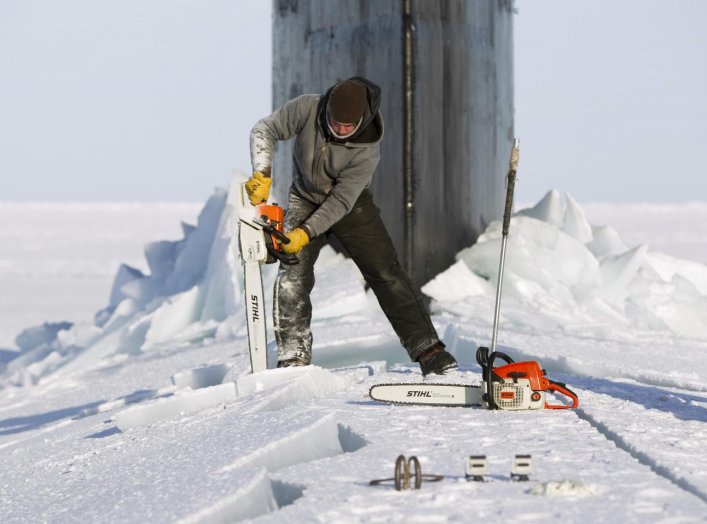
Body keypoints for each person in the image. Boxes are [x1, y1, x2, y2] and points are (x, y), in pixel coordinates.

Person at [246, 76, 457, 376]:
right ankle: (293, 356)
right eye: (335, 122)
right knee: (293, 276)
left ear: (361, 119)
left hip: (352, 206)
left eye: (349, 125)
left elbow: (341, 202)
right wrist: (262, 171)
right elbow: (264, 129)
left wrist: (304, 233)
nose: (341, 129)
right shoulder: (308, 108)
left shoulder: (367, 149)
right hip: (304, 198)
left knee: (386, 272)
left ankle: (429, 350)